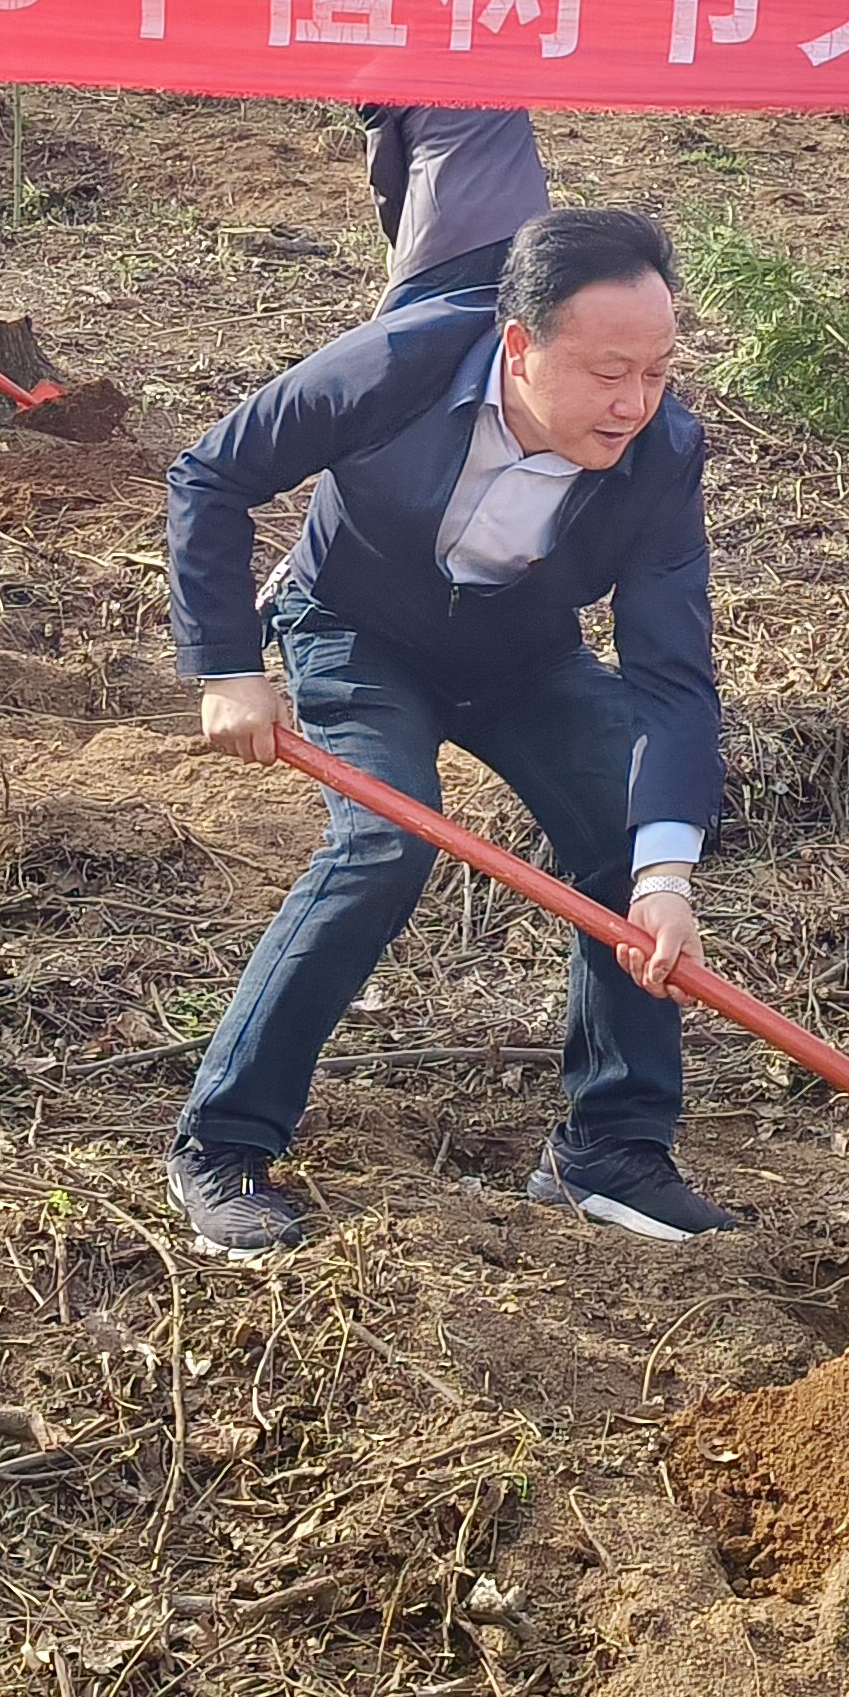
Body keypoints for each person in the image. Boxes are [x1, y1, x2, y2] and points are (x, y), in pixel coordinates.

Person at [163, 206, 736, 1259]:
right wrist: (229, 669)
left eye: (656, 372)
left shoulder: (662, 452)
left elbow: (671, 678)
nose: (634, 402)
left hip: (522, 655)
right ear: (520, 347)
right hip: (355, 629)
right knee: (388, 841)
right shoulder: (399, 366)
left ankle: (608, 1148)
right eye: (610, 371)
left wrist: (667, 879)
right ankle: (222, 1146)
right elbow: (212, 474)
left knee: (627, 831)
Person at [363, 103, 553, 309]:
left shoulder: (379, 80)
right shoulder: (508, 71)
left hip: (444, 236)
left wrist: (400, 248)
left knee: (394, 332)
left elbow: (387, 183)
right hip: (528, 224)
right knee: (525, 328)